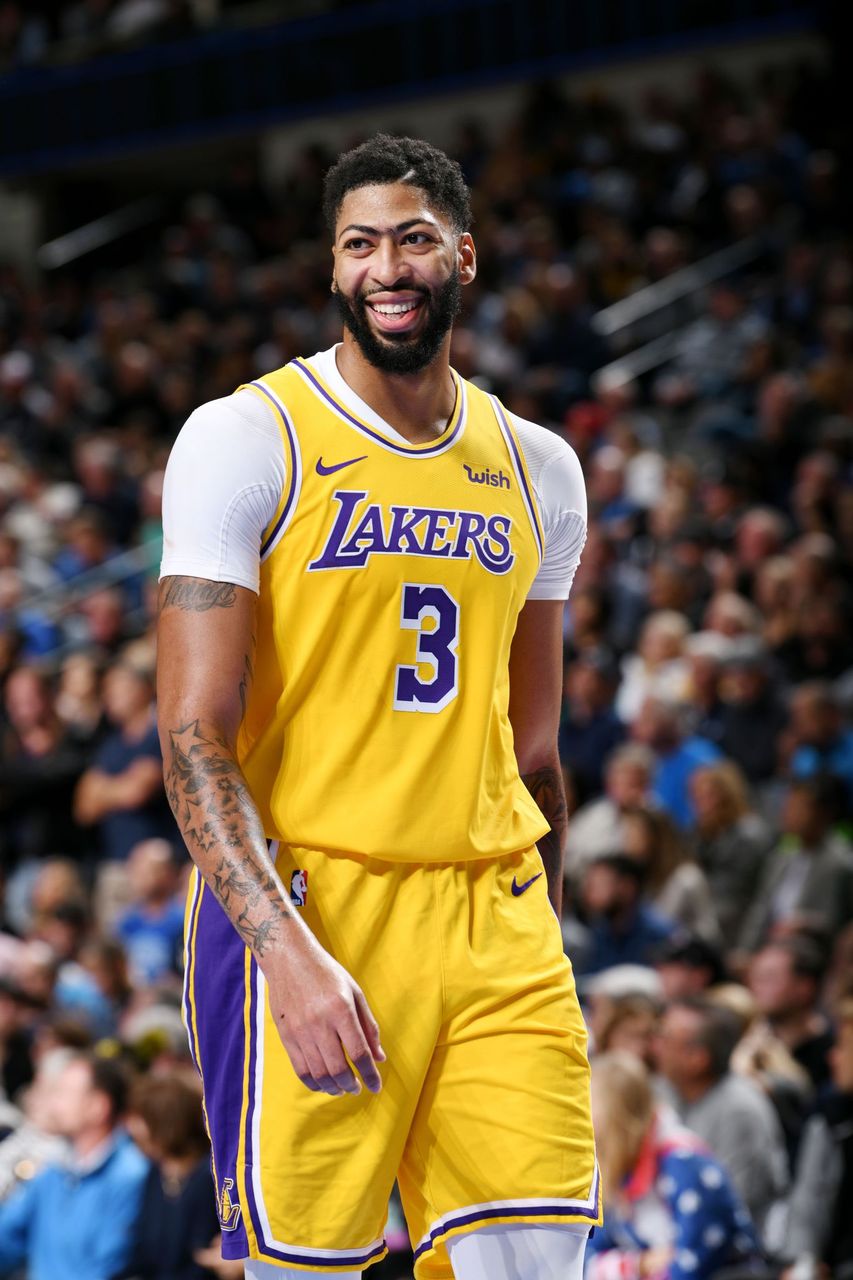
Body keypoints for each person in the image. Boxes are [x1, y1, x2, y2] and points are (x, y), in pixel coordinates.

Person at [156, 135, 598, 1280]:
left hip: (493, 911)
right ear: (332, 270)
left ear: (463, 254)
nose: (385, 267)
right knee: (307, 1268)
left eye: (410, 239)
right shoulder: (246, 436)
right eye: (359, 244)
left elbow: (533, 743)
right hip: (313, 905)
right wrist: (287, 958)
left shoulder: (540, 465)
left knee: (536, 1261)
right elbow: (194, 735)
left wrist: (541, 929)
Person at [586, 1052, 761, 1280]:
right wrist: (640, 1264)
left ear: (618, 1114)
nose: (585, 1121)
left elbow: (692, 1266)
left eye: (591, 1105)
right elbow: (586, 1259)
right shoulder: (620, 1169)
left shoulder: (684, 1163)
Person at [0, 1049, 149, 1280]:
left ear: (98, 1107)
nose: (53, 1104)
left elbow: (109, 1266)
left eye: (64, 1093)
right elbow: (7, 1238)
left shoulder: (131, 1174)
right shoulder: (53, 1169)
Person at [655, 996, 790, 1237]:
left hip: (732, 1253)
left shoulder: (741, 1110)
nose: (655, 1045)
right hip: (672, 1236)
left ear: (697, 1059)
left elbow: (730, 1207)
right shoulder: (663, 1091)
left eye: (665, 1037)